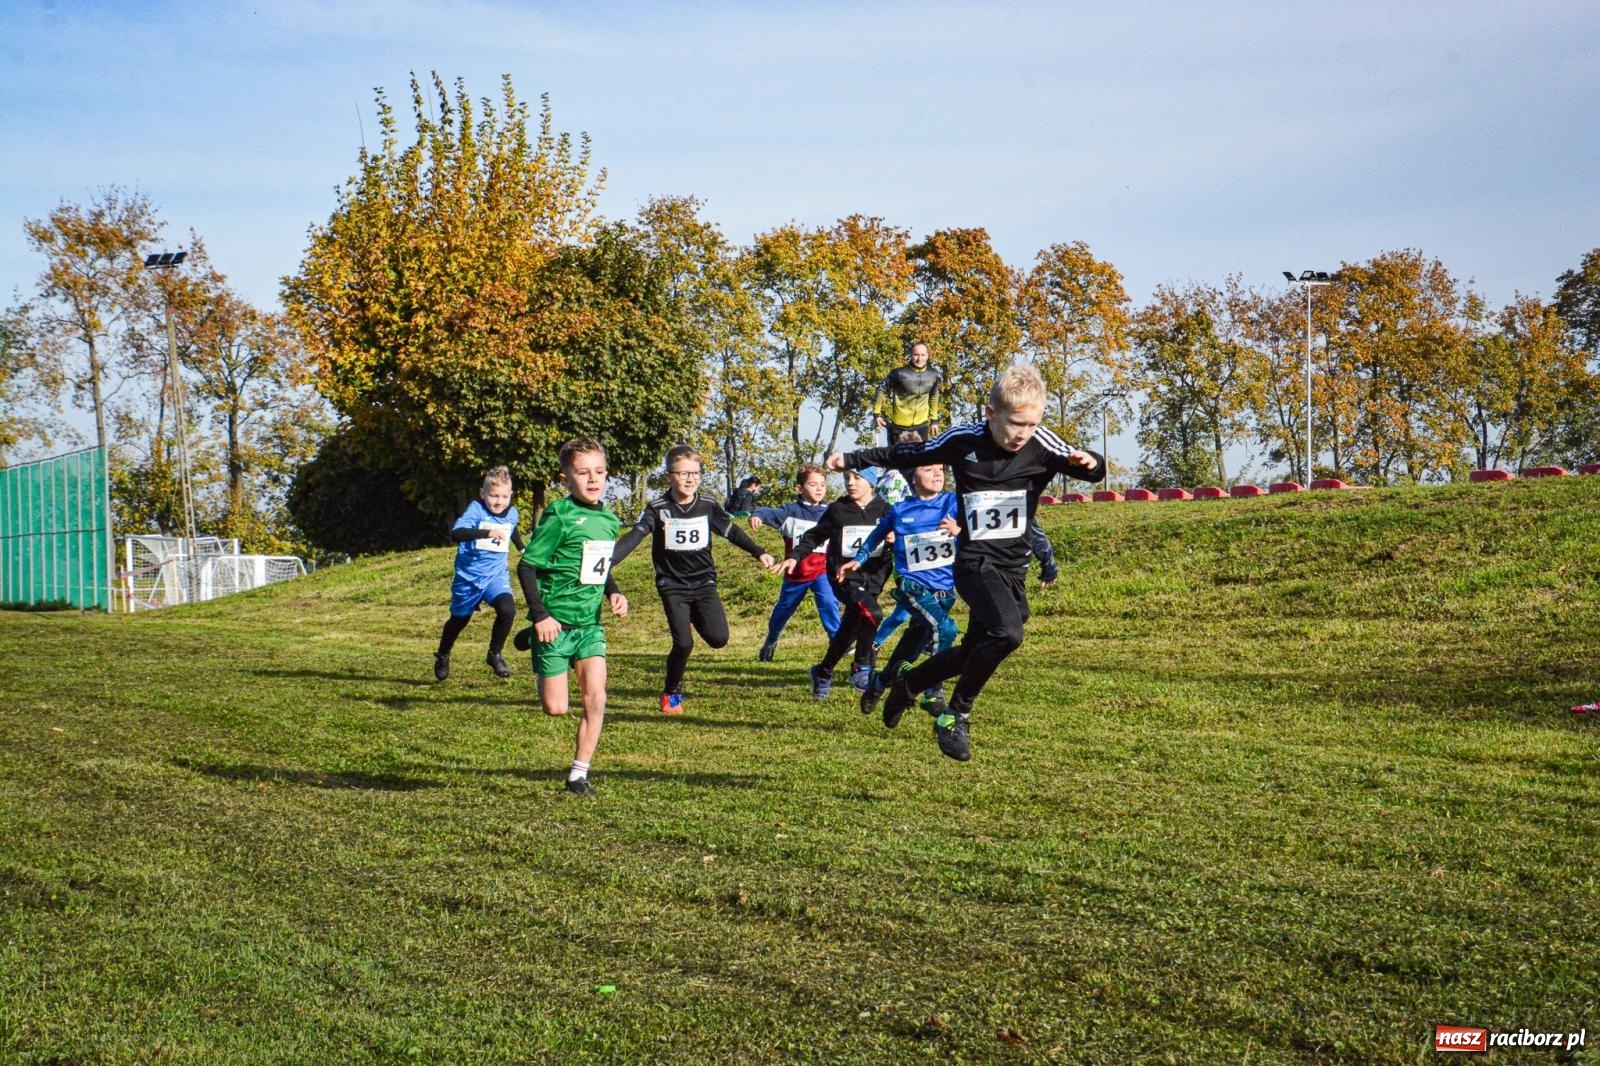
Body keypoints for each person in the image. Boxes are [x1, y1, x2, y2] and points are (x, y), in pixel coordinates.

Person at [828, 364, 1103, 762]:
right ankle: (954, 715)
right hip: (973, 561)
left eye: (1032, 423)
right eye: (1016, 424)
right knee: (1008, 633)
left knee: (977, 647)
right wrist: (854, 457)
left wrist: (1091, 462)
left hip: (1013, 566)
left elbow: (1088, 467)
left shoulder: (1040, 441)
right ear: (992, 414)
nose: (1023, 433)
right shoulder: (965, 439)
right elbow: (910, 451)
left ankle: (910, 683)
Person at [612, 446, 778, 715]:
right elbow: (636, 535)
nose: (690, 479)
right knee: (684, 644)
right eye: (683, 473)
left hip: (704, 583)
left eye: (696, 473)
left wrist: (759, 552)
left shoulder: (707, 504)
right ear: (668, 477)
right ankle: (671, 692)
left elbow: (731, 531)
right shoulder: (658, 508)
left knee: (718, 638)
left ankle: (690, 618)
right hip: (672, 585)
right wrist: (609, 561)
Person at [511, 438, 628, 796]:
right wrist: (540, 616)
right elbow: (527, 566)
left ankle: (578, 775)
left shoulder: (609, 520)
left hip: (589, 624)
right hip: (554, 624)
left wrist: (614, 592)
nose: (593, 480)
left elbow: (599, 564)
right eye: (583, 473)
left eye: (599, 471)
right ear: (566, 478)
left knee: (597, 697)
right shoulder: (559, 516)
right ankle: (532, 635)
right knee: (556, 708)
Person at [846, 454, 961, 723]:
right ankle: (933, 690)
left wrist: (959, 530)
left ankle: (880, 682)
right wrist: (859, 558)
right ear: (912, 477)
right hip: (912, 586)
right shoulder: (899, 510)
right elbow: (876, 534)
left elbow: (973, 530)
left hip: (945, 590)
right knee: (946, 629)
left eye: (941, 468)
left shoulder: (952, 503)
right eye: (929, 469)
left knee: (909, 648)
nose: (938, 474)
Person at [782, 466, 891, 698]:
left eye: (857, 478)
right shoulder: (838, 510)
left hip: (874, 580)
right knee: (874, 613)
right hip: (844, 578)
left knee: (848, 630)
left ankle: (822, 672)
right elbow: (813, 537)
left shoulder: (885, 509)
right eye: (847, 478)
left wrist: (893, 540)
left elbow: (902, 541)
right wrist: (795, 556)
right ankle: (861, 666)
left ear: (871, 482)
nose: (850, 483)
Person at [435, 466, 525, 681]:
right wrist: (485, 533)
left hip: (496, 576)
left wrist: (522, 548)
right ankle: (443, 653)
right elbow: (456, 533)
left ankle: (494, 654)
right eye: (493, 495)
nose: (498, 501)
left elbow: (511, 529)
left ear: (510, 496)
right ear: (483, 494)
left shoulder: (512, 512)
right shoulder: (476, 510)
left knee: (508, 610)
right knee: (459, 620)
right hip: (469, 577)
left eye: (504, 496)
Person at [749, 464, 841, 661]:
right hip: (796, 573)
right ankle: (772, 639)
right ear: (799, 489)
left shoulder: (832, 512)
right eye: (813, 484)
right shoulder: (789, 512)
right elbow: (767, 512)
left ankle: (838, 641)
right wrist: (757, 515)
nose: (819, 489)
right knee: (783, 612)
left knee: (828, 602)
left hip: (822, 570)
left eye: (822, 485)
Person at [872, 340, 944, 447]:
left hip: (921, 425)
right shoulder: (899, 373)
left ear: (927, 356)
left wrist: (934, 421)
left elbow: (934, 396)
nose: (919, 358)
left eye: (922, 355)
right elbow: (881, 389)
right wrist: (876, 414)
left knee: (921, 461)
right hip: (899, 427)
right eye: (916, 355)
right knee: (896, 462)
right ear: (910, 355)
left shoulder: (933, 375)